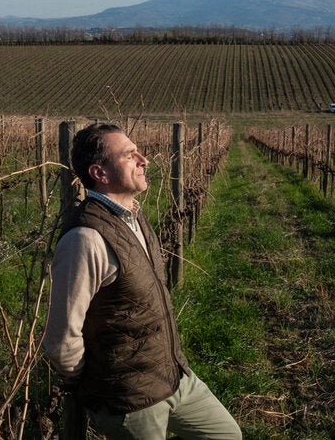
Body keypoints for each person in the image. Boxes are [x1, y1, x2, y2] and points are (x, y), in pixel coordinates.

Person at [42, 123, 241, 439]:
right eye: (129, 155)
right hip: (129, 399)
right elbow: (60, 340)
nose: (144, 160)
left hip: (172, 374)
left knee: (226, 434)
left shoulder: (134, 217)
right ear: (100, 173)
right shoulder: (86, 239)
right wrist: (98, 380)